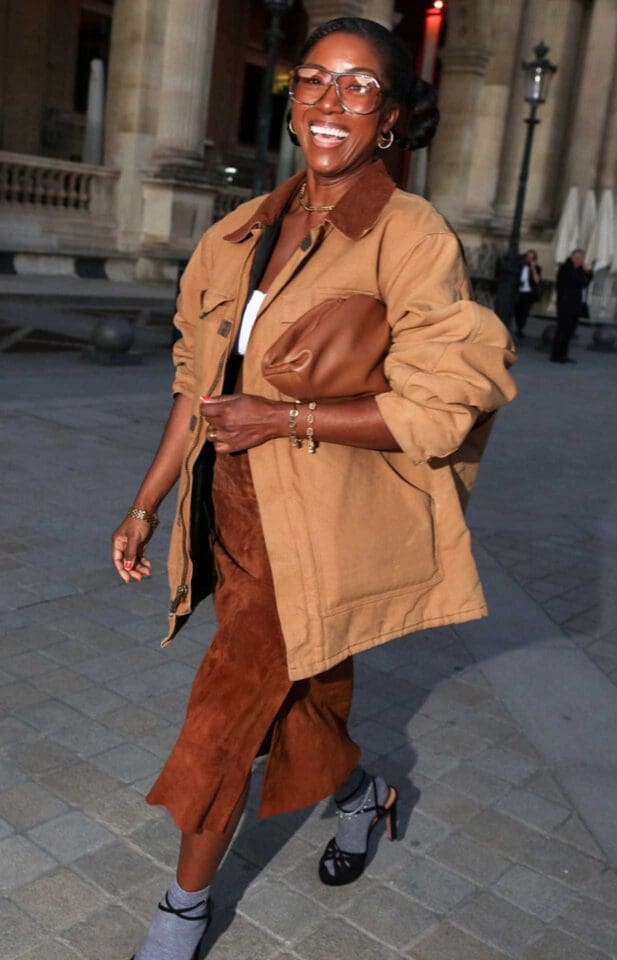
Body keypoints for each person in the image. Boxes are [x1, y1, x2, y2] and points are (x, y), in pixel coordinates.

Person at [108, 18, 516, 960]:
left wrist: (285, 419)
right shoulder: (237, 231)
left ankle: (182, 910)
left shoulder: (409, 235)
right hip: (229, 513)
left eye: (360, 86)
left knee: (227, 707)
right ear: (292, 101)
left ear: (392, 116)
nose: (332, 101)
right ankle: (364, 795)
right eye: (315, 80)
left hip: (319, 525)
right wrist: (145, 503)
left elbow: (441, 407)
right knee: (306, 697)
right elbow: (194, 386)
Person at [551, 248, 591, 363]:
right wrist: (583, 272)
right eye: (578, 258)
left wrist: (587, 272)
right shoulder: (566, 268)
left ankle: (564, 354)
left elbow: (586, 283)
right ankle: (556, 355)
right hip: (565, 304)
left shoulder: (580, 270)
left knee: (570, 330)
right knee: (562, 330)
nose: (580, 261)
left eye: (581, 259)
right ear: (573, 258)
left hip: (576, 304)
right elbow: (576, 282)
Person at [513, 249, 542, 340]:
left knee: (524, 312)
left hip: (528, 294)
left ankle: (520, 329)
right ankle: (516, 326)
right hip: (518, 292)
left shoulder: (537, 268)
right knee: (516, 311)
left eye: (531, 258)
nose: (529, 259)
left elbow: (537, 281)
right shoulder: (519, 266)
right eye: (528, 257)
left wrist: (533, 269)